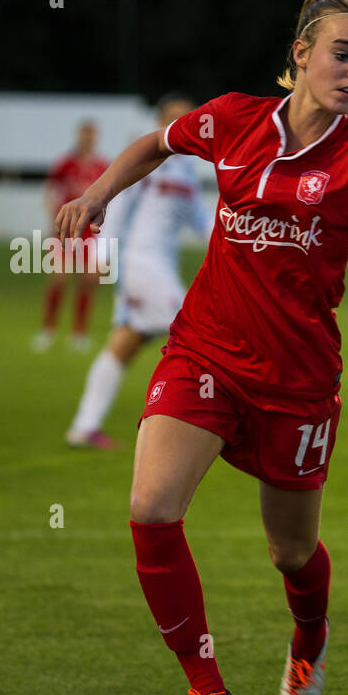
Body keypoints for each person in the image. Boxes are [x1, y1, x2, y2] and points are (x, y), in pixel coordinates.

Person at [55, 0, 348, 695]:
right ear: (301, 54)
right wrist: (99, 194)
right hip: (203, 353)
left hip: (299, 383)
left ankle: (309, 637)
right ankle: (208, 692)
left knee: (291, 553)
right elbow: (157, 144)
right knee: (149, 509)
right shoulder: (235, 119)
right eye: (342, 53)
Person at [65, 94, 212, 450]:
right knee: (193, 332)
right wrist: (99, 254)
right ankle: (189, 427)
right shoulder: (148, 160)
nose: (183, 125)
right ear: (161, 121)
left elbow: (200, 220)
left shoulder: (187, 168)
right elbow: (115, 205)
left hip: (163, 266)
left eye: (187, 118)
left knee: (124, 345)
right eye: (174, 118)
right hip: (138, 264)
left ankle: (84, 427)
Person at [35, 120, 109, 353]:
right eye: (85, 134)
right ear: (79, 136)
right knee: (60, 277)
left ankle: (79, 333)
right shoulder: (65, 164)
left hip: (89, 231)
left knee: (89, 280)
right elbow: (49, 190)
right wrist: (52, 216)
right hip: (66, 229)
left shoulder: (102, 166)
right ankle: (48, 330)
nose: (88, 138)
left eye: (92, 135)